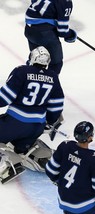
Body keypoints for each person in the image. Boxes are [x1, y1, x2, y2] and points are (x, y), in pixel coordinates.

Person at [0, 46, 64, 183]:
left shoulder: (21, 71)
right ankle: (34, 154)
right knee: (22, 144)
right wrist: (50, 121)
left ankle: (6, 164)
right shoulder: (53, 76)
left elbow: (5, 97)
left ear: (31, 58)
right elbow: (57, 103)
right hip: (37, 127)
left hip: (14, 124)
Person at [45, 121, 95, 214]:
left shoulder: (65, 146)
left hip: (64, 200)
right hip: (84, 204)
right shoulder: (94, 158)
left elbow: (50, 170)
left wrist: (60, 181)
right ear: (90, 137)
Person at [24, 0, 77, 75]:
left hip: (29, 29)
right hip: (44, 34)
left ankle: (27, 80)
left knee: (35, 59)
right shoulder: (65, 2)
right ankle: (50, 84)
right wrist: (71, 35)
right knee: (56, 63)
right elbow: (62, 31)